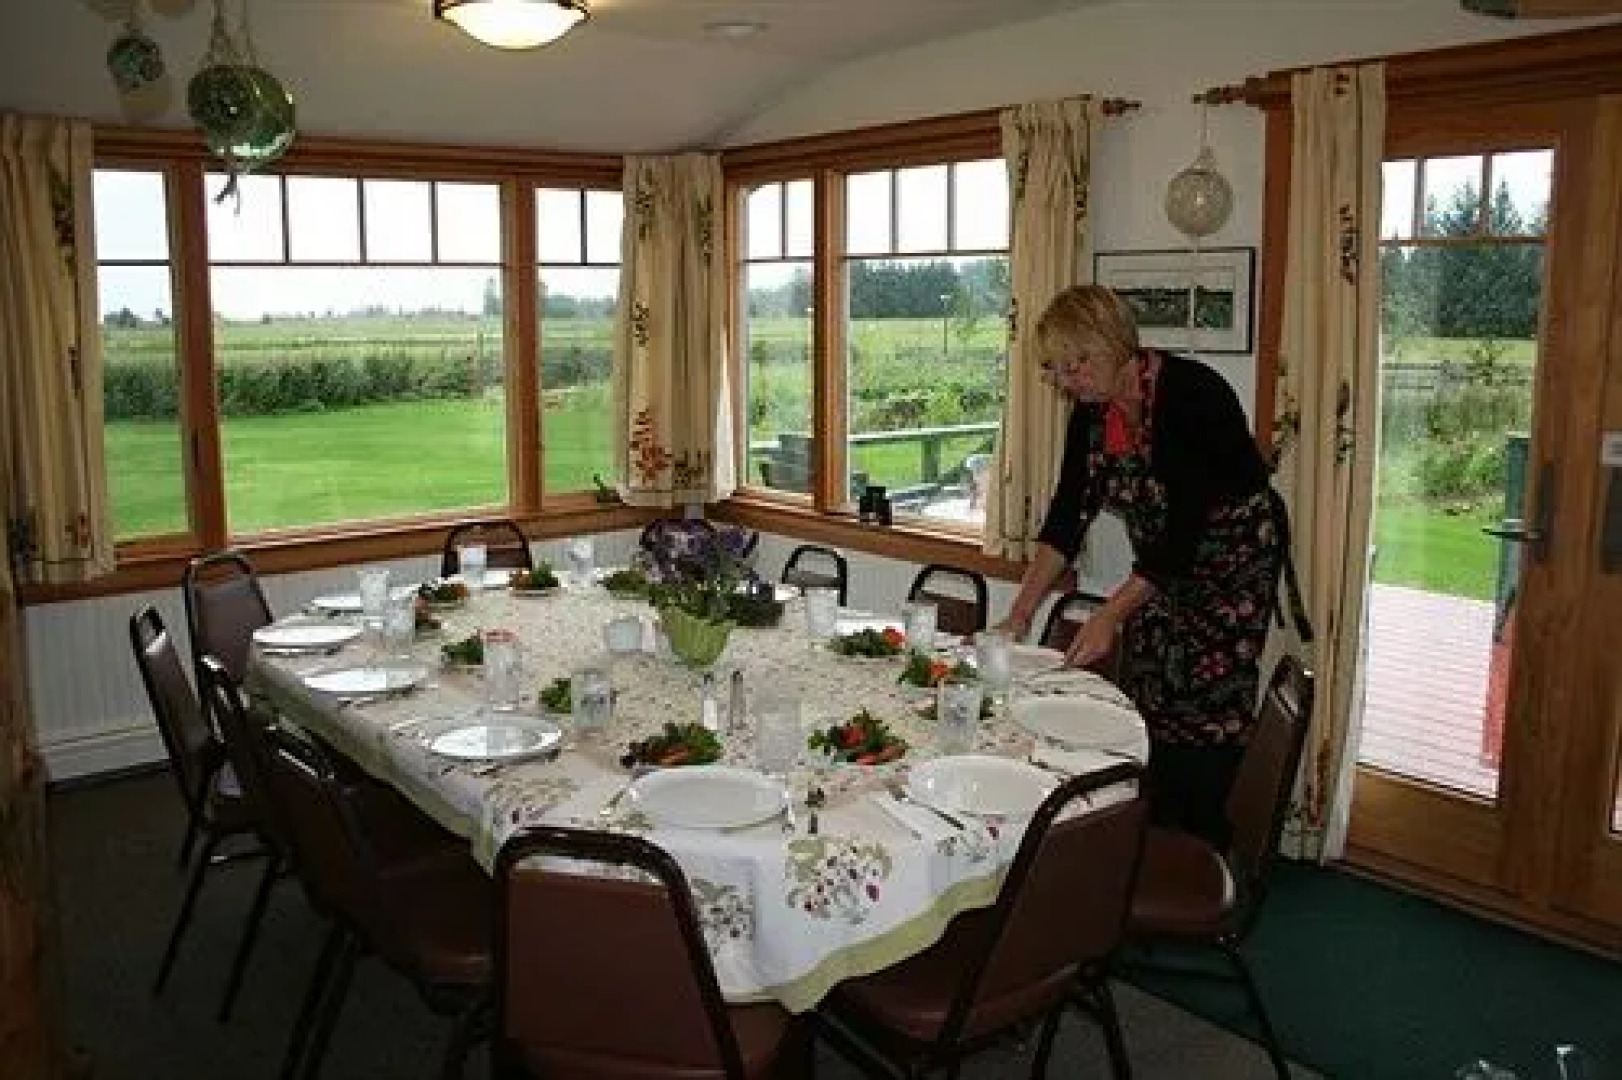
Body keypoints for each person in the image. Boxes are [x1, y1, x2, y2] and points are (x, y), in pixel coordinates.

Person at [998, 284, 1287, 848]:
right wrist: (1021, 610)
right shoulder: (1092, 416)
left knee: (1208, 704)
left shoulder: (1192, 396)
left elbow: (1183, 536)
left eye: (1073, 365)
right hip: (1158, 570)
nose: (1066, 381)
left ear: (1111, 347)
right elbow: (1066, 517)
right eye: (1057, 369)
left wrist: (1108, 615)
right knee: (1151, 687)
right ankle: (1150, 833)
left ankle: (1201, 845)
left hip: (1232, 569)